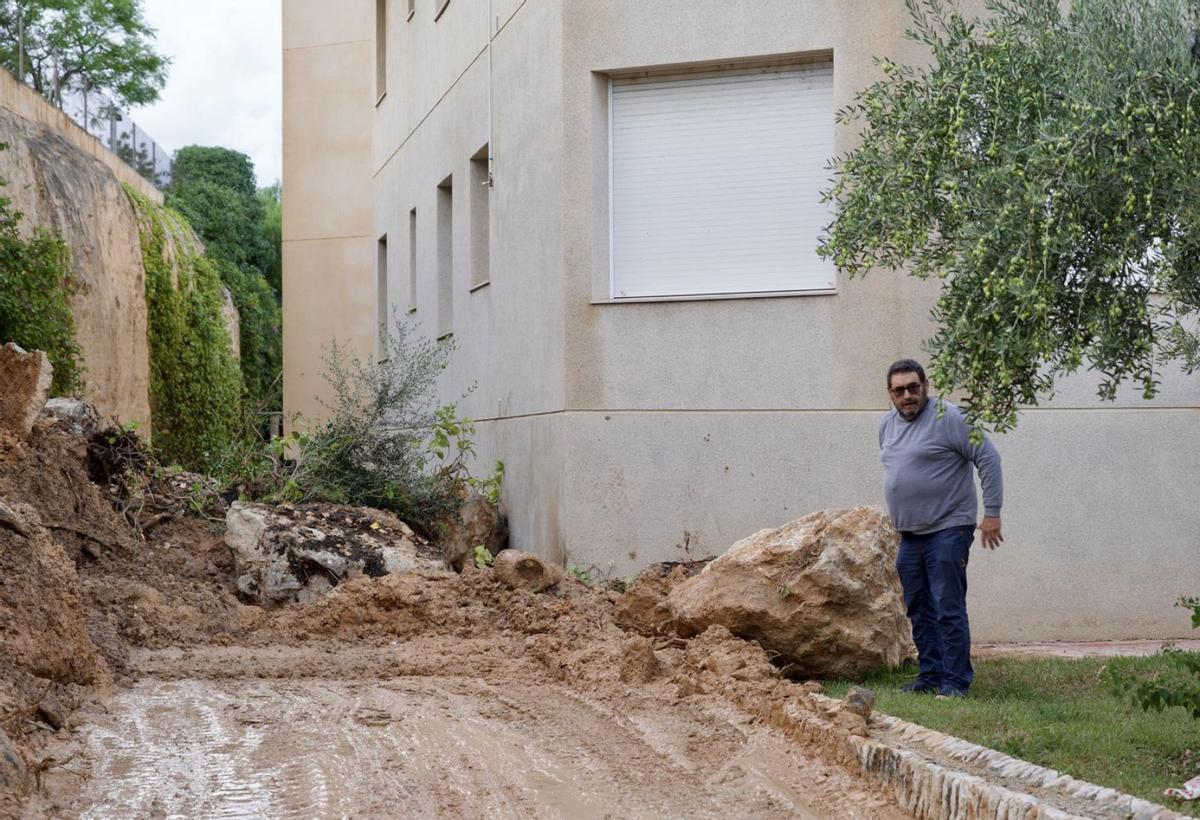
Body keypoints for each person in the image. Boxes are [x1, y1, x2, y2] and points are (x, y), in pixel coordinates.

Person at [878, 359, 1003, 699]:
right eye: (899, 390)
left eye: (913, 388)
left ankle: (956, 682)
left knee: (947, 604)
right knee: (918, 607)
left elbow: (988, 459)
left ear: (926, 386)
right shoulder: (886, 426)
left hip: (949, 527)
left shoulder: (949, 417)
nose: (907, 395)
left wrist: (992, 513)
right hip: (910, 535)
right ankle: (930, 674)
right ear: (890, 394)